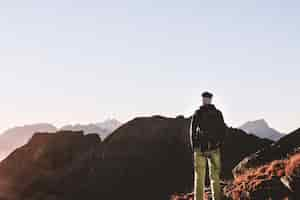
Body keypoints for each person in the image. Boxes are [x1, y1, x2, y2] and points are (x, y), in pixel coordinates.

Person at [189, 91, 227, 200]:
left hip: (200, 149)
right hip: (214, 148)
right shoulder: (218, 113)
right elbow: (223, 130)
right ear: (211, 100)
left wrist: (194, 146)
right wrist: (219, 143)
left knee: (199, 178)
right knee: (215, 176)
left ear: (204, 99)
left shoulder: (198, 113)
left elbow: (192, 130)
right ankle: (217, 198)